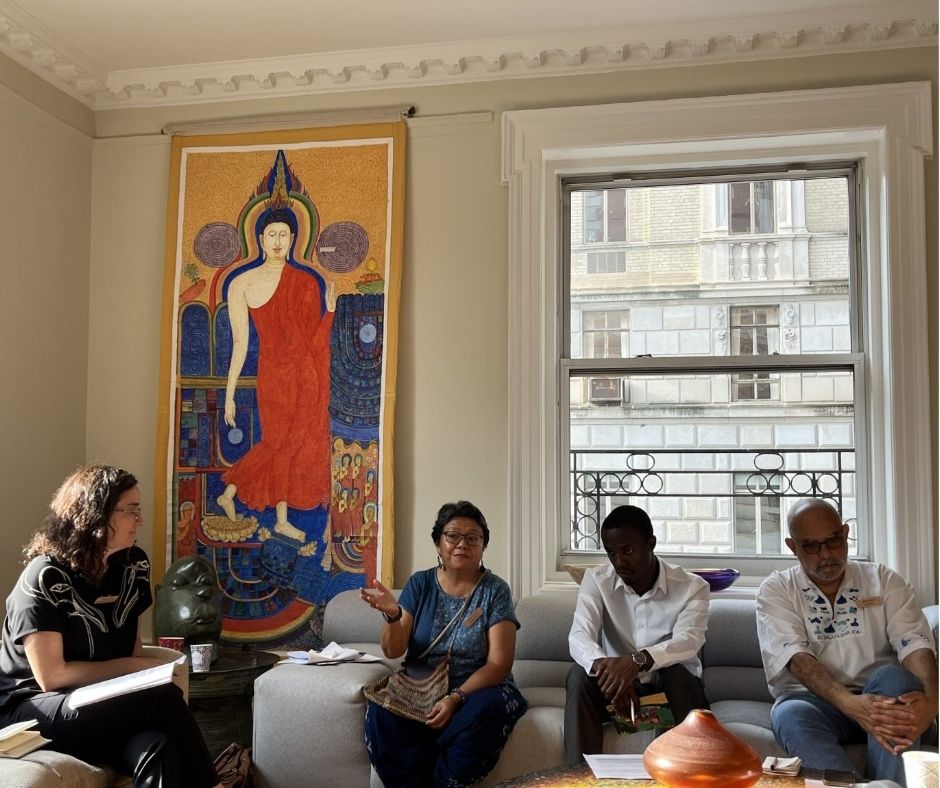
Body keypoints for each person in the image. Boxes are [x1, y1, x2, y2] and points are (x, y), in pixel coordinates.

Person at [0, 464, 221, 788]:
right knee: (162, 697)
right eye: (131, 510)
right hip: (31, 712)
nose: (139, 520)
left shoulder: (133, 567)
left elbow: (130, 648)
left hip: (94, 705)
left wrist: (135, 669)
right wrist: (135, 667)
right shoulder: (44, 577)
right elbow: (52, 676)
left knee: (158, 747)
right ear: (98, 515)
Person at [756, 498, 937, 784]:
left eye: (833, 540)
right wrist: (850, 704)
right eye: (811, 546)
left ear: (845, 533)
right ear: (792, 547)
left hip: (882, 697)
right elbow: (797, 659)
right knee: (790, 714)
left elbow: (915, 643)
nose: (826, 554)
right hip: (815, 704)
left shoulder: (883, 580)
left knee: (894, 679)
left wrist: (933, 702)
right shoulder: (777, 590)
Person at [359, 500, 528, 787]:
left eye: (473, 538)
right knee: (383, 711)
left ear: (483, 546)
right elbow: (393, 650)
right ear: (438, 543)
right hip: (421, 687)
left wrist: (455, 698)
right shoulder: (420, 584)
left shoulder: (495, 590)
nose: (462, 544)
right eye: (453, 536)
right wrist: (392, 615)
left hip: (476, 690)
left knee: (486, 710)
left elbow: (499, 664)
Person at [217, 155, 335, 543]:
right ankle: (235, 495)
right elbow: (240, 343)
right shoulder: (242, 283)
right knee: (276, 442)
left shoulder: (305, 282)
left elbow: (314, 337)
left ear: (294, 238)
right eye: (272, 234)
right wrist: (229, 395)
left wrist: (331, 311)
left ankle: (267, 511)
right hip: (273, 375)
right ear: (260, 238)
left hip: (306, 374)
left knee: (293, 444)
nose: (278, 241)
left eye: (285, 234)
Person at [565, 504, 710, 766]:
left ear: (650, 543)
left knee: (675, 673)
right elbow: (579, 636)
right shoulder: (597, 580)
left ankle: (677, 777)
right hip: (617, 693)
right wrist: (610, 674)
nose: (619, 562)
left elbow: (689, 641)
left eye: (628, 550)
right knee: (579, 675)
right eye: (611, 553)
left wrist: (636, 661)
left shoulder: (692, 587)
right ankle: (578, 777)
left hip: (673, 691)